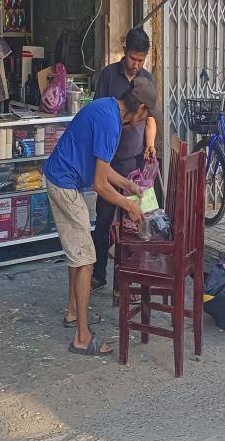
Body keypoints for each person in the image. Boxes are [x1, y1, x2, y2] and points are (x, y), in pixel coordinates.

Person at [44, 78, 159, 356]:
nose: (144, 121)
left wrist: (128, 185)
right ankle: (82, 338)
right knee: (86, 259)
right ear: (140, 109)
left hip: (62, 178)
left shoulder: (108, 108)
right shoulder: (111, 124)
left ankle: (74, 311)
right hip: (64, 183)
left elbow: (104, 170)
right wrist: (129, 206)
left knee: (78, 252)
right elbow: (99, 184)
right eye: (147, 114)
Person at [91, 27, 158, 293]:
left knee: (133, 225)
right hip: (108, 164)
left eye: (141, 60)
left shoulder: (147, 80)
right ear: (124, 52)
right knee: (104, 221)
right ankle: (98, 274)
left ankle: (126, 280)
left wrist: (150, 144)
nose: (136, 65)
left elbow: (150, 119)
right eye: (132, 58)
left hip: (135, 166)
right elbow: (99, 114)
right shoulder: (108, 76)